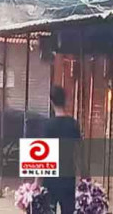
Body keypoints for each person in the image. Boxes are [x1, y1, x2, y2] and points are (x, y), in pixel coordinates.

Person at [36, 85, 82, 214]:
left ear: (51, 102)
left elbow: (42, 156)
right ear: (66, 100)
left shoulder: (47, 126)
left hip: (50, 181)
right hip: (68, 180)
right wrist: (83, 177)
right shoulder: (73, 124)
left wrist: (37, 182)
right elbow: (78, 153)